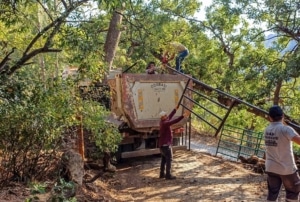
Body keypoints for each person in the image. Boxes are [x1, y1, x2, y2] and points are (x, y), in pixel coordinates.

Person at [264, 105, 300, 202]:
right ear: (283, 116)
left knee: (272, 194)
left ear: (270, 117)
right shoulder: (286, 129)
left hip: (271, 167)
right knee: (293, 192)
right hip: (286, 168)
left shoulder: (267, 130)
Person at [158, 106, 187, 180]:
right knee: (169, 159)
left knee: (164, 159)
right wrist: (182, 116)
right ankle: (168, 175)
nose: (167, 116)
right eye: (165, 115)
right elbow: (174, 121)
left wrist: (175, 109)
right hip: (166, 145)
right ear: (163, 117)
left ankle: (162, 174)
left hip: (162, 145)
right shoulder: (165, 123)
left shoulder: (163, 122)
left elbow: (170, 116)